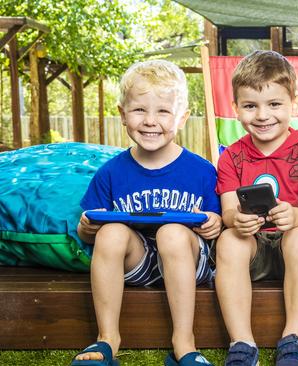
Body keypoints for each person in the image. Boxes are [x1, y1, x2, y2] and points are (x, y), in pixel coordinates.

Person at [73, 60, 222, 366]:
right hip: (137, 263)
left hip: (186, 261)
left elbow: (218, 222)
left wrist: (213, 224)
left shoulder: (202, 171)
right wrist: (87, 228)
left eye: (163, 112)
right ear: (122, 115)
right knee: (111, 231)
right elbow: (86, 228)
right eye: (140, 110)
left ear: (182, 118)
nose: (150, 121)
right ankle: (107, 340)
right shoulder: (110, 172)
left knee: (172, 232)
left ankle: (183, 344)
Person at [215, 50, 298, 366]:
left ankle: (295, 340)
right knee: (228, 239)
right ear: (236, 109)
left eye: (274, 104)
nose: (263, 115)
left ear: (295, 104)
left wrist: (295, 215)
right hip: (253, 248)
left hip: (296, 251)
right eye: (251, 106)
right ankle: (242, 343)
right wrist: (237, 221)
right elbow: (227, 212)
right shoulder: (231, 157)